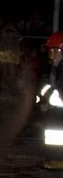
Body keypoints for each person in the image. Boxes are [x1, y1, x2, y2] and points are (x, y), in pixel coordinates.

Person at [36, 31, 63, 169]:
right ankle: (55, 158)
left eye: (54, 51)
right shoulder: (58, 67)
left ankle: (57, 159)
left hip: (59, 112)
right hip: (57, 112)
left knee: (57, 132)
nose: (51, 55)